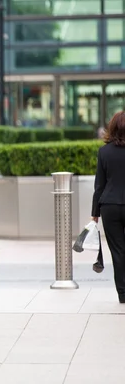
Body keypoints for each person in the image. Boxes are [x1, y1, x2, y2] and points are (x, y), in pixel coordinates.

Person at [92, 111, 125, 304]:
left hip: (110, 206)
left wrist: (94, 213)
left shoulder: (104, 152)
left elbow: (100, 185)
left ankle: (122, 293)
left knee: (118, 250)